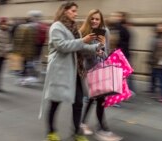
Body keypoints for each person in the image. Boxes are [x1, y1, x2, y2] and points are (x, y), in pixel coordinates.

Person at [40, 2, 104, 141]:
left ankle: (77, 132)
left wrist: (95, 48)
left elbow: (80, 47)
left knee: (79, 103)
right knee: (55, 102)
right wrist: (83, 40)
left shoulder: (75, 29)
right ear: (64, 11)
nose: (76, 13)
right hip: (61, 71)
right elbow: (62, 46)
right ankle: (51, 132)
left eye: (76, 11)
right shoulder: (56, 27)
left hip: (76, 71)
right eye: (73, 11)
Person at [79, 9, 123, 141]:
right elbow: (82, 53)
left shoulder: (105, 32)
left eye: (97, 19)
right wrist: (93, 49)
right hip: (89, 70)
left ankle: (84, 123)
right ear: (89, 19)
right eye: (92, 18)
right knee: (99, 99)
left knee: (95, 98)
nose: (94, 21)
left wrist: (102, 46)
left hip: (101, 70)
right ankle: (103, 129)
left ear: (101, 20)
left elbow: (106, 53)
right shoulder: (84, 32)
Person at [0, 17, 11, 91]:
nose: (4, 25)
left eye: (5, 23)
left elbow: (8, 43)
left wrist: (8, 50)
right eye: (2, 23)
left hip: (3, 55)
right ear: (0, 24)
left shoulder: (7, 33)